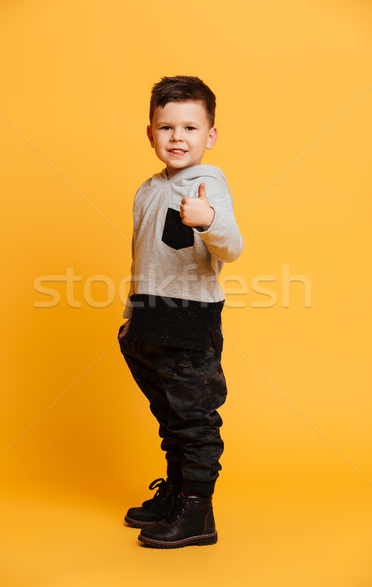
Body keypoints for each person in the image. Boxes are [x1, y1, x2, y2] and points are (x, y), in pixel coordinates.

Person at [118, 75, 243, 548]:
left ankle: (197, 514)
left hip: (190, 320)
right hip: (151, 315)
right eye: (166, 127)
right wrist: (134, 312)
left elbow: (232, 246)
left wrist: (209, 221)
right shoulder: (148, 188)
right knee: (171, 415)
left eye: (190, 128)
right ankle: (175, 496)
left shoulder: (208, 181)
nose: (177, 137)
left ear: (209, 136)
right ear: (150, 134)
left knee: (195, 419)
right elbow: (141, 257)